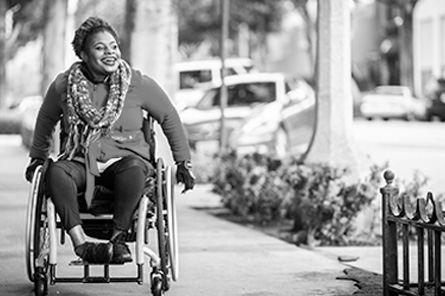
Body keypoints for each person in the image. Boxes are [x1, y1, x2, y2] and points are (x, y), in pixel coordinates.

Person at [24, 16, 195, 265]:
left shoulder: (137, 83)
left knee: (135, 168)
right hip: (82, 162)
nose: (110, 53)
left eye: (113, 46)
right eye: (100, 47)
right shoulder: (64, 85)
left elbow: (169, 116)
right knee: (56, 172)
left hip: (127, 165)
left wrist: (183, 163)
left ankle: (118, 240)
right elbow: (46, 120)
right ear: (83, 54)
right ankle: (83, 245)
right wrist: (37, 157)